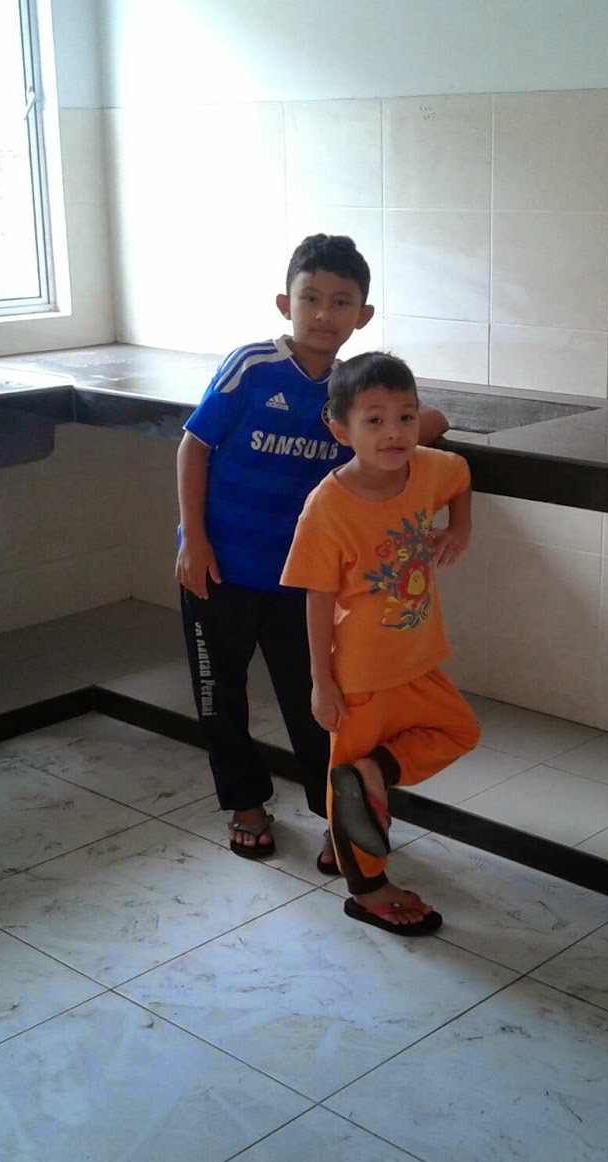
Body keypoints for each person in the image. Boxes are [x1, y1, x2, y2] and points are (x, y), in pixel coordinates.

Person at [175, 234, 448, 866]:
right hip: (218, 569)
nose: (324, 314)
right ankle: (246, 805)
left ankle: (335, 814)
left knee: (320, 702)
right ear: (285, 303)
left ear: (363, 315)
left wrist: (420, 424)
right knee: (220, 695)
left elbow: (425, 418)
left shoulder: (354, 390)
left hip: (305, 585)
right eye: (311, 298)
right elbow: (193, 447)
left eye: (341, 302)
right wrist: (194, 539)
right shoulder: (252, 367)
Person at [280, 351, 480, 935]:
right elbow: (316, 598)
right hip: (361, 674)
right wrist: (321, 681)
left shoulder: (426, 468)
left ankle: (374, 773)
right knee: (344, 784)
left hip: (419, 657)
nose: (394, 432)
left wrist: (461, 527)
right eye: (375, 420)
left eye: (405, 417)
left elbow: (461, 473)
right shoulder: (327, 507)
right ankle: (368, 891)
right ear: (341, 430)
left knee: (460, 732)